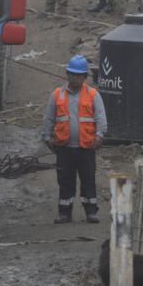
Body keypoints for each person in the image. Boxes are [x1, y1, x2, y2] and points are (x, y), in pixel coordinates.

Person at [45, 55, 106, 223]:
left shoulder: (93, 95)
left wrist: (99, 135)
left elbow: (101, 118)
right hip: (64, 147)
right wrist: (48, 137)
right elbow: (49, 118)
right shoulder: (57, 95)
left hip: (86, 147)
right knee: (65, 181)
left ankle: (91, 212)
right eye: (72, 74)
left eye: (79, 75)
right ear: (67, 74)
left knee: (88, 180)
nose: (75, 78)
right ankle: (64, 213)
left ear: (84, 77)